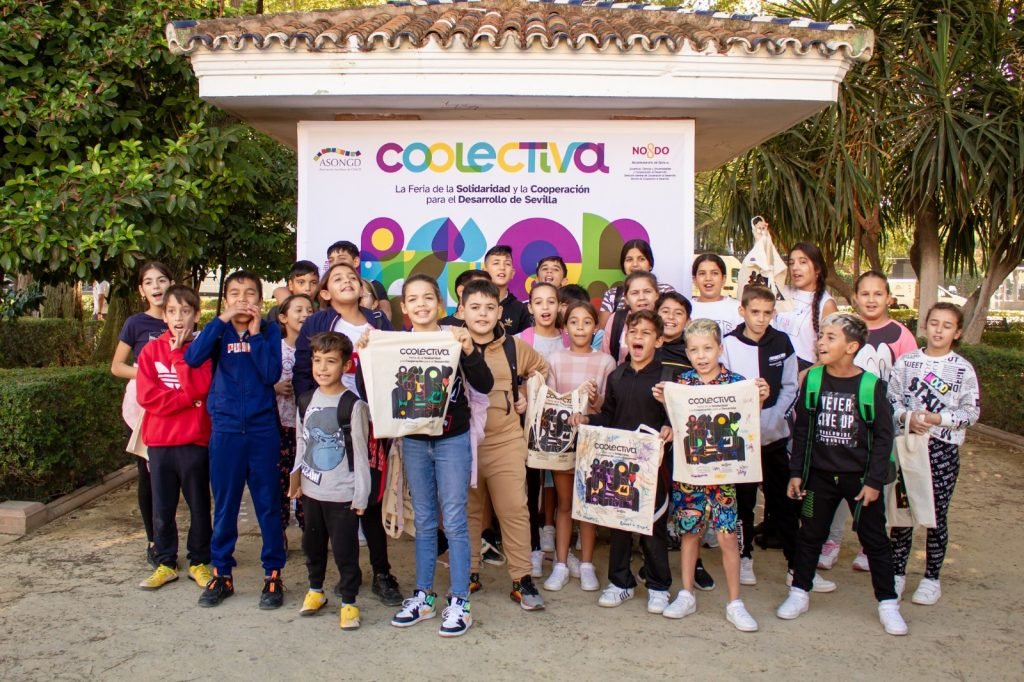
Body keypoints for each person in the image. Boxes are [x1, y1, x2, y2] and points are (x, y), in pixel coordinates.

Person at [777, 313, 907, 636]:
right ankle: (799, 592)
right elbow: (803, 431)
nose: (821, 342)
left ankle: (888, 604)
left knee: (874, 540)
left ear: (851, 347)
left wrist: (874, 481)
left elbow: (883, 438)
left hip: (860, 481)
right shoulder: (813, 380)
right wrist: (797, 472)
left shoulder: (871, 386)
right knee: (810, 535)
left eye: (830, 337)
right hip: (819, 478)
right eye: (821, 336)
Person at [382, 274, 492, 637]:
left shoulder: (454, 337)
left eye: (428, 297)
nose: (421, 304)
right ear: (404, 307)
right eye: (413, 299)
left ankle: (460, 601)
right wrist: (367, 352)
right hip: (414, 442)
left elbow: (485, 384)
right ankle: (424, 596)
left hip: (452, 441)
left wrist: (470, 351)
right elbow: (375, 390)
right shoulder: (395, 343)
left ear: (440, 304)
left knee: (455, 520)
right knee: (425, 520)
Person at [292, 262, 402, 606]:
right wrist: (311, 409)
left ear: (362, 288)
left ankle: (382, 573)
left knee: (370, 498)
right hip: (330, 422)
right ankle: (341, 576)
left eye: (352, 277)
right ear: (325, 293)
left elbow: (394, 365)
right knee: (333, 503)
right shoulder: (318, 322)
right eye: (337, 278)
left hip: (371, 422)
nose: (347, 281)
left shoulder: (377, 321)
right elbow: (303, 369)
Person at [654, 318, 766, 632]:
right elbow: (675, 424)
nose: (701, 356)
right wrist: (666, 416)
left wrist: (760, 397)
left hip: (723, 477)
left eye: (707, 348)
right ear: (687, 352)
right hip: (689, 473)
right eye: (694, 350)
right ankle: (687, 593)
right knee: (689, 532)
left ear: (719, 348)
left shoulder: (737, 383)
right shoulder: (681, 384)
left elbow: (749, 421)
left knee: (727, 536)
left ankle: (735, 602)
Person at [184, 270, 286, 609]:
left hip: (262, 430)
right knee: (226, 505)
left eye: (250, 293)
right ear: (225, 300)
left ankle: (273, 574)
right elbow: (192, 358)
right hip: (226, 430)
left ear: (260, 299)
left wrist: (254, 336)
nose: (243, 299)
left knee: (268, 504)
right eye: (235, 294)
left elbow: (271, 374)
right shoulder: (218, 331)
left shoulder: (269, 331)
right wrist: (221, 321)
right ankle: (222, 574)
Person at [571, 310, 674, 614]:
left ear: (659, 340)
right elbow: (609, 416)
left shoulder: (668, 379)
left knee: (652, 526)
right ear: (626, 338)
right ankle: (620, 583)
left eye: (646, 333)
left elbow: (678, 418)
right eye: (633, 332)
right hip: (619, 466)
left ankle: (658, 586)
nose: (638, 337)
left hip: (654, 467)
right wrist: (587, 419)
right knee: (618, 524)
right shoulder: (616, 376)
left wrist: (670, 424)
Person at [821, 271, 918, 572]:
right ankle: (831, 541)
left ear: (889, 298)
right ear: (855, 298)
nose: (871, 299)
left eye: (878, 294)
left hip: (881, 427)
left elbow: (910, 380)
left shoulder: (901, 335)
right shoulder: (843, 329)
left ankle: (868, 544)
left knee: (878, 484)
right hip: (843, 425)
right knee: (837, 486)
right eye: (865, 293)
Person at [462, 278, 548, 610]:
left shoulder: (514, 346)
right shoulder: (450, 342)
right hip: (461, 444)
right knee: (467, 511)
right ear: (462, 311)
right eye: (475, 307)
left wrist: (525, 392)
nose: (482, 314)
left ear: (500, 312)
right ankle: (468, 573)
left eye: (489, 307)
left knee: (514, 509)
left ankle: (522, 579)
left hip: (506, 441)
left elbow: (542, 369)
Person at [888, 303, 980, 605]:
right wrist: (907, 417)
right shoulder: (907, 362)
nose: (939, 330)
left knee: (936, 514)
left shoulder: (963, 369)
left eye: (947, 325)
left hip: (943, 448)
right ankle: (896, 573)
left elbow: (970, 412)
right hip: (909, 445)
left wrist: (939, 419)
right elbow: (891, 399)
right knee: (902, 512)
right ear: (925, 326)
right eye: (935, 323)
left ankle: (931, 578)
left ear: (957, 332)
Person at [288, 332, 371, 630]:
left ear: (346, 365)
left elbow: (361, 454)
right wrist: (296, 479)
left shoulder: (353, 406)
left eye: (331, 361)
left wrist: (361, 495)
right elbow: (302, 442)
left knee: (346, 551)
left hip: (342, 494)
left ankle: (349, 602)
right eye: (317, 360)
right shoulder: (305, 400)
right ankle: (315, 590)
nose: (322, 368)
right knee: (312, 546)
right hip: (311, 492)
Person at [134, 284, 213, 592]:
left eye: (185, 310)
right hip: (160, 442)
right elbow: (147, 396)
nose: (179, 317)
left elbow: (200, 389)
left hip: (194, 441)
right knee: (162, 507)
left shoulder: (202, 350)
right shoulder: (150, 351)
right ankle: (165, 562)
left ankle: (199, 561)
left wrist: (179, 356)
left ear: (196, 314)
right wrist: (187, 400)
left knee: (199, 506)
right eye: (172, 311)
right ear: (164, 316)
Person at [721, 286, 800, 589]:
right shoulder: (728, 344)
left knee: (784, 503)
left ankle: (796, 564)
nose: (761, 318)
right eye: (755, 312)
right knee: (743, 504)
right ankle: (744, 556)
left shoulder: (782, 342)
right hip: (740, 442)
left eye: (767, 313)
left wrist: (774, 417)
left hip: (774, 439)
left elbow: (791, 387)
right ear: (742, 311)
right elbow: (722, 388)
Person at [542, 300, 615, 592]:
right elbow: (550, 400)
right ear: (565, 327)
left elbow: (608, 407)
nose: (581, 328)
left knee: (587, 506)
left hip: (593, 442)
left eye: (587, 322)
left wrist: (594, 400)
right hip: (562, 441)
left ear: (596, 327)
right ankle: (560, 564)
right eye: (574, 322)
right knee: (564, 504)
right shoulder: (555, 359)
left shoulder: (606, 362)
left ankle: (586, 565)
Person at [111, 261, 174, 568]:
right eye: (149, 282)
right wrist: (148, 372)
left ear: (171, 283)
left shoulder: (182, 319)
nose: (156, 286)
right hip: (143, 409)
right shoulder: (135, 323)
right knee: (149, 475)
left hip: (178, 408)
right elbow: (117, 366)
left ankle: (192, 544)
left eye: (161, 280)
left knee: (182, 475)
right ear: (141, 290)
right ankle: (154, 540)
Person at [517, 282, 569, 574]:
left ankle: (562, 548)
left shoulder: (568, 339)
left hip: (563, 427)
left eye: (551, 301)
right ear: (530, 307)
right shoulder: (521, 340)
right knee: (532, 485)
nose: (545, 308)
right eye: (539, 302)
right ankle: (533, 547)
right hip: (530, 425)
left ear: (560, 306)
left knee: (562, 487)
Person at [275, 294, 315, 540]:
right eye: (298, 310)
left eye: (309, 310)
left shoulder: (315, 348)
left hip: (307, 426)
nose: (305, 315)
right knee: (280, 481)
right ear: (283, 317)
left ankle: (308, 533)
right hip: (280, 424)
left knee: (307, 480)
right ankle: (279, 534)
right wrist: (275, 387)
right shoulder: (274, 348)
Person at [773, 243, 839, 371]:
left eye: (802, 262)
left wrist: (804, 375)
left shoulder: (826, 304)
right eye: (791, 263)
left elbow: (833, 351)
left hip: (805, 370)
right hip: (775, 365)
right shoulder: (782, 293)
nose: (795, 268)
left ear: (817, 268)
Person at [598, 239, 674, 327]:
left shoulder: (666, 291)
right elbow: (603, 331)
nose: (635, 264)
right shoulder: (612, 295)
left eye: (641, 259)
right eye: (629, 259)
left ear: (650, 264)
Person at [601, 271, 661, 364]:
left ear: (657, 295)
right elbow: (606, 357)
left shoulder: (663, 320)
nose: (641, 297)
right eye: (635, 293)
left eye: (647, 291)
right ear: (626, 299)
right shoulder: (617, 319)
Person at [690, 254, 743, 337]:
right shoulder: (687, 308)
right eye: (702, 273)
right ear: (694, 280)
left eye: (714, 273)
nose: (708, 278)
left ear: (723, 279)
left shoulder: (738, 308)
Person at [484, 244, 531, 335]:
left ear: (512, 273)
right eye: (496, 263)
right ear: (485, 272)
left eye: (507, 264)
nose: (502, 268)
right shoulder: (473, 302)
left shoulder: (521, 309)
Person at [266, 261, 319, 330]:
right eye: (301, 282)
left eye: (313, 283)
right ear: (291, 285)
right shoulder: (276, 312)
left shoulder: (322, 311)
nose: (308, 288)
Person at [559, 284, 604, 350]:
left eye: (575, 305)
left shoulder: (597, 335)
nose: (570, 309)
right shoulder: (554, 331)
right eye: (565, 305)